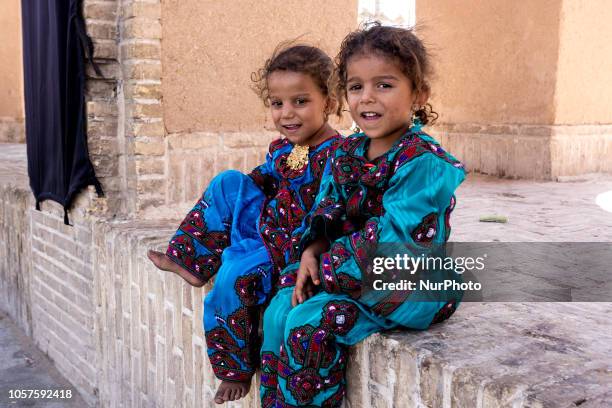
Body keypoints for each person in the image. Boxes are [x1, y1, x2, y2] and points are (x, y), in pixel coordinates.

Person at [260, 23, 466, 407]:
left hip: (411, 283)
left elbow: (394, 243)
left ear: (418, 94)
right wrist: (313, 249)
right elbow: (327, 210)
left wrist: (327, 267)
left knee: (310, 323)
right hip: (348, 272)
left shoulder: (424, 163)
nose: (367, 98)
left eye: (384, 85)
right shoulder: (347, 153)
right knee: (278, 309)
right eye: (356, 87)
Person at [147, 44, 342, 404]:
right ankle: (190, 262)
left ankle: (234, 369)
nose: (287, 113)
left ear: (328, 102)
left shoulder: (337, 155)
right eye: (277, 103)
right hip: (269, 227)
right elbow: (266, 179)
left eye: (300, 101)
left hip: (291, 247)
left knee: (232, 275)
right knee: (229, 181)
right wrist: (249, 187)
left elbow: (331, 212)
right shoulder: (285, 148)